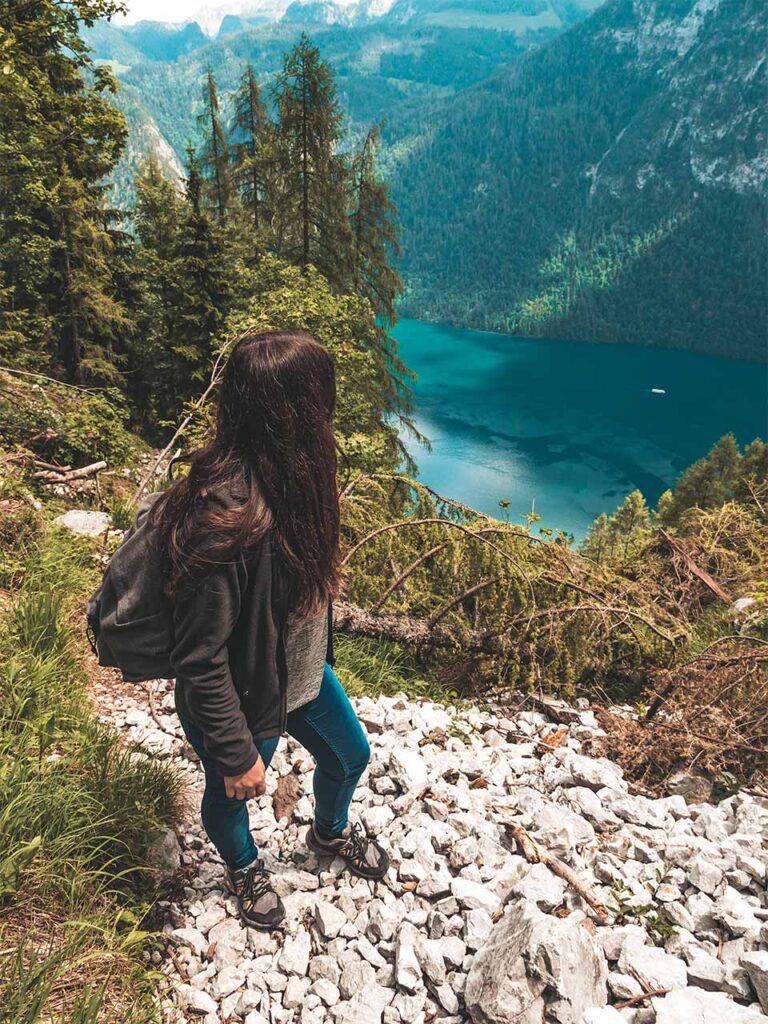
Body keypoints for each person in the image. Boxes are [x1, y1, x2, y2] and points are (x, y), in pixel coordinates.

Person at [149, 329, 389, 930]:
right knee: (232, 793)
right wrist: (235, 753)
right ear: (295, 410)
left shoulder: (297, 477)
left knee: (350, 755)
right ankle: (243, 865)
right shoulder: (225, 516)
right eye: (321, 397)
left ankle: (329, 834)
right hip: (244, 692)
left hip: (299, 677)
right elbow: (198, 656)